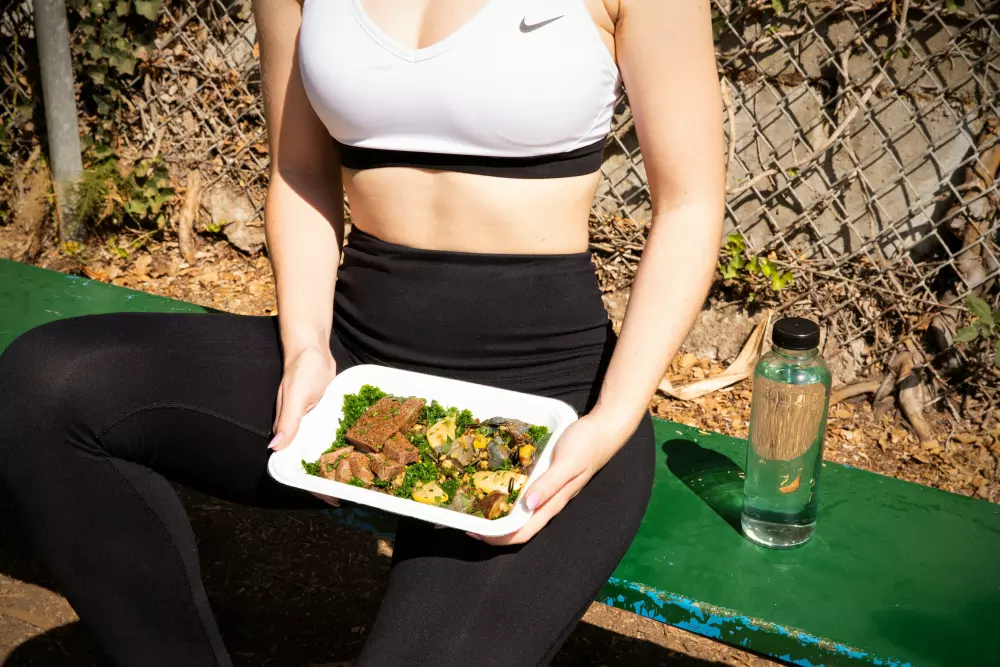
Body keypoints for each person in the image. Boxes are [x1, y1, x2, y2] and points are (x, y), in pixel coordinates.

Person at [0, 0, 724, 664]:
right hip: (354, 370)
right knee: (44, 390)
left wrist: (612, 419)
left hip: (542, 410)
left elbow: (689, 202)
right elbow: (300, 169)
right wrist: (307, 344)